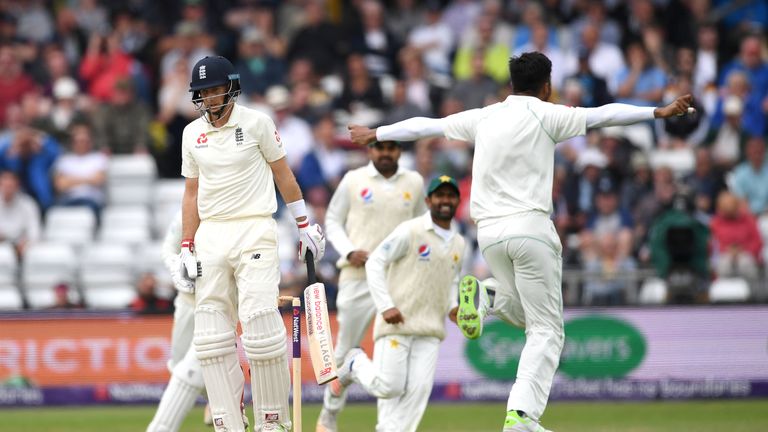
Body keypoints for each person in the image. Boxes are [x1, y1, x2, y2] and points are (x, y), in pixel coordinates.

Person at [349, 51, 695, 432]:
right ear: (546, 86)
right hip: (530, 229)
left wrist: (377, 133)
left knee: (523, 315)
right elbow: (603, 114)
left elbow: (426, 125)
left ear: (512, 83)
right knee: (548, 330)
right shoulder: (547, 114)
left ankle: (486, 297)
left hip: (490, 235)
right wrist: (657, 112)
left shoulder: (485, 116)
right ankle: (521, 417)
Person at [179, 56, 325, 432]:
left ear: (230, 87)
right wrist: (186, 244)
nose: (209, 99)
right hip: (212, 234)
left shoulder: (257, 122)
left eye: (214, 90)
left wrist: (304, 223)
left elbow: (283, 174)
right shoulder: (191, 133)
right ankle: (228, 420)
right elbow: (191, 193)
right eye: (203, 93)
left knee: (260, 324)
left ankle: (272, 420)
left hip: (255, 227)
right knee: (210, 334)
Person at [334, 175, 465, 432]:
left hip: (430, 330)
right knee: (389, 386)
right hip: (397, 323)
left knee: (416, 396)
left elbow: (452, 279)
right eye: (440, 195)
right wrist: (385, 306)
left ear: (458, 201)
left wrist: (452, 306)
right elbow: (375, 263)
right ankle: (354, 362)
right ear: (428, 200)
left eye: (450, 196)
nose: (445, 201)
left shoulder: (459, 242)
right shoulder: (411, 230)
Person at [316, 138, 426, 432]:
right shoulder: (354, 180)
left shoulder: (414, 182)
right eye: (381, 148)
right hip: (358, 277)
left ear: (399, 151)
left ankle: (388, 424)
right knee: (343, 351)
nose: (386, 153)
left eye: (392, 148)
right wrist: (349, 250)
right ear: (371, 151)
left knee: (392, 351)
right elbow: (332, 221)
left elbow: (421, 229)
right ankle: (330, 412)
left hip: (396, 279)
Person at [147, 211, 247, 432]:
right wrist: (178, 271)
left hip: (218, 303)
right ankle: (225, 397)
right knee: (178, 366)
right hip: (186, 302)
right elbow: (168, 250)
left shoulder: (234, 213)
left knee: (188, 372)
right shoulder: (188, 213)